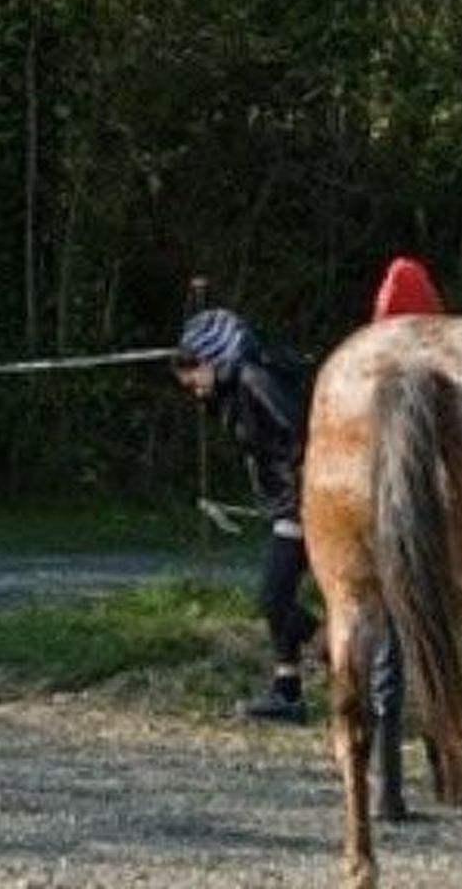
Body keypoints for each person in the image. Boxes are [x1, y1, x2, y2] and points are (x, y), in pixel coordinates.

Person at [170, 305, 319, 723]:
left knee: (273, 597)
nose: (194, 389)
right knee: (279, 599)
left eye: (195, 374)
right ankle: (287, 691)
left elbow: (298, 437)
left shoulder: (256, 380)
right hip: (286, 504)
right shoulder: (237, 386)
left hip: (301, 502)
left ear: (216, 356)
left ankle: (340, 654)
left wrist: (300, 503)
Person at [364, 254, 445, 820]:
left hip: (380, 531)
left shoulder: (363, 375)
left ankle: (385, 784)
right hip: (441, 534)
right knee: (440, 647)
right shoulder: (449, 375)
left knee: (388, 652)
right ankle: (446, 771)